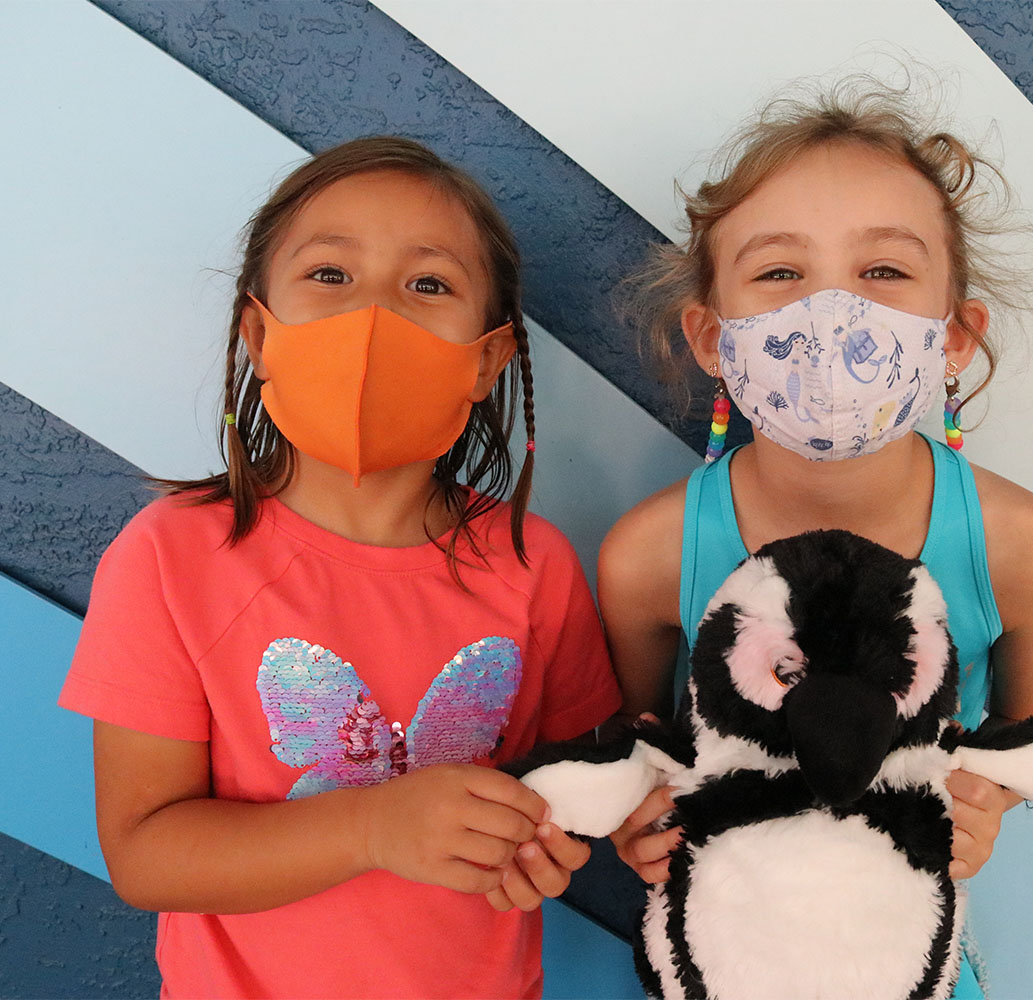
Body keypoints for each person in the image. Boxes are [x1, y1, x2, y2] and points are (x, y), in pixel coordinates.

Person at [58, 136, 621, 999]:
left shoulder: (532, 563)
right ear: (258, 332)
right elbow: (145, 854)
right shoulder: (168, 557)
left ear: (488, 359)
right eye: (330, 275)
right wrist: (370, 829)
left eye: (428, 284)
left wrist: (544, 841)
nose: (375, 316)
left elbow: (567, 782)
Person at [599, 81, 1033, 995]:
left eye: (885, 273)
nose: (833, 313)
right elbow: (642, 747)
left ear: (955, 338)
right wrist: (637, 816)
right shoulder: (647, 556)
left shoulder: (1029, 552)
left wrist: (987, 802)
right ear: (711, 337)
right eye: (780, 273)